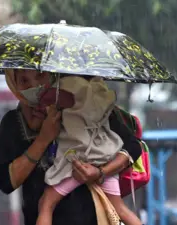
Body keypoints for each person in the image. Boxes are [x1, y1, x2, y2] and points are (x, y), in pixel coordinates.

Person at [0, 69, 143, 225]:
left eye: (40, 75)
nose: (35, 86)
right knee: (46, 204)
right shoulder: (14, 123)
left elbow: (134, 146)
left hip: (93, 218)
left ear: (52, 74)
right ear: (14, 85)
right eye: (24, 81)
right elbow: (6, 182)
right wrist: (43, 140)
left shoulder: (87, 106)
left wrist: (100, 173)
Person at [35, 75, 142, 225]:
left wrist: (44, 100)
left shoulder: (65, 87)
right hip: (105, 156)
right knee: (120, 209)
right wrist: (103, 172)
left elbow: (48, 101)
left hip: (76, 162)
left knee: (46, 203)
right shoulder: (101, 91)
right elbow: (134, 145)